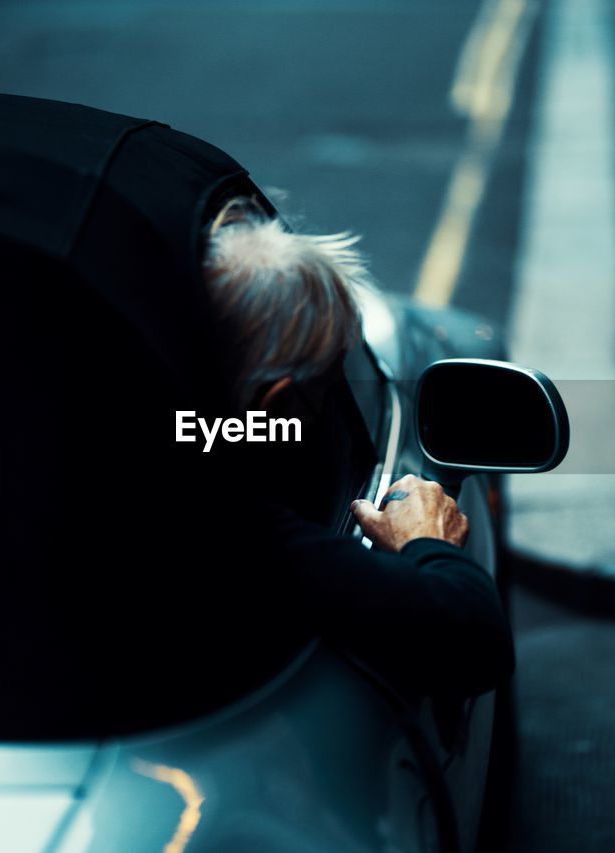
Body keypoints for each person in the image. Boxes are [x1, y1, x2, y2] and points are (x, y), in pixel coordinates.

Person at [201, 197, 514, 697]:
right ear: (279, 403)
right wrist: (426, 543)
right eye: (330, 387)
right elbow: (475, 643)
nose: (333, 404)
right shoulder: (244, 538)